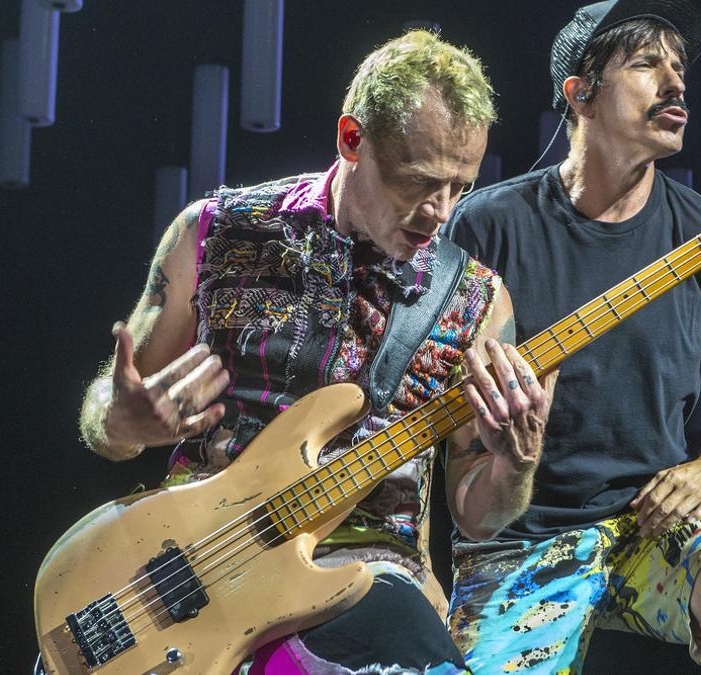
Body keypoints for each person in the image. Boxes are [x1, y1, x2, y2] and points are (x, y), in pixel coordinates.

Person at [77, 30, 552, 675]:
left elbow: (478, 513)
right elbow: (109, 413)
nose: (440, 211)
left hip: (367, 578)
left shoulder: (474, 302)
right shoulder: (213, 232)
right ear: (352, 139)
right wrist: (120, 419)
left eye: (460, 186)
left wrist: (515, 465)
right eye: (417, 182)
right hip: (189, 570)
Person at [441, 2, 701, 673]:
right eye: (647, 63)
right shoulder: (486, 228)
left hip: (650, 522)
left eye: (680, 67)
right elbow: (459, 451)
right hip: (518, 537)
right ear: (579, 94)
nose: (677, 83)